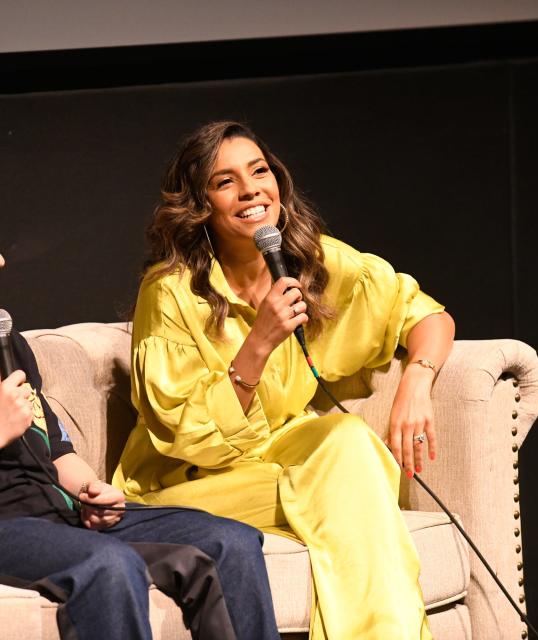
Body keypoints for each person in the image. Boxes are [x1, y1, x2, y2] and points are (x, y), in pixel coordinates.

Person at [0, 162, 280, 640]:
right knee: (107, 566)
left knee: (231, 541)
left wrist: (90, 491)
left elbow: (55, 452)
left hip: (57, 516)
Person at [113, 121, 456, 639]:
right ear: (199, 205)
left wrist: (417, 384)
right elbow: (187, 438)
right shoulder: (169, 294)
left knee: (348, 439)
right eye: (225, 181)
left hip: (279, 450)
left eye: (259, 171)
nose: (251, 189)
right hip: (190, 484)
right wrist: (261, 342)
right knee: (347, 487)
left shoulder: (313, 262)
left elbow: (427, 315)